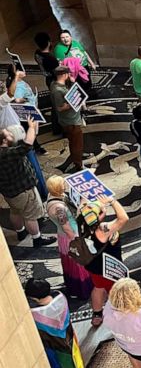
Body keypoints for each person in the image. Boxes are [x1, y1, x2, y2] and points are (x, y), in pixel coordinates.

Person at [0, 118, 55, 247]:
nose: (11, 133)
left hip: (9, 192)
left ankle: (20, 232)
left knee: (15, 211)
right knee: (30, 215)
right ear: (4, 141)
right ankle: (37, 238)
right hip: (23, 190)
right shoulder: (7, 154)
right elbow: (27, 145)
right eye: (8, 134)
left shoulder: (5, 152)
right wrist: (31, 127)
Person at [77, 195, 129, 328]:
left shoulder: (81, 223)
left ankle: (97, 314)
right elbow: (123, 218)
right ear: (100, 216)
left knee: (98, 288)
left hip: (93, 266)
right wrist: (112, 201)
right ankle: (123, 315)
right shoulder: (103, 229)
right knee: (117, 291)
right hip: (109, 269)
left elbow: (83, 207)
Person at [44, 176, 93, 300]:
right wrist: (78, 241)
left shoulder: (52, 197)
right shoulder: (58, 208)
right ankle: (83, 290)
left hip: (65, 236)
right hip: (70, 238)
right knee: (78, 264)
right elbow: (66, 227)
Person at [25, 278, 84, 368]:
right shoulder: (60, 297)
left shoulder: (34, 313)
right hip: (69, 337)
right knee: (74, 359)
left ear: (33, 297)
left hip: (53, 346)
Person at [49, 66, 84, 172]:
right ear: (64, 75)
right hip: (70, 121)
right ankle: (78, 164)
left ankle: (77, 159)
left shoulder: (55, 84)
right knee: (77, 143)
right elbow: (60, 108)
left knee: (75, 142)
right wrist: (75, 102)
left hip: (72, 118)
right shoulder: (57, 90)